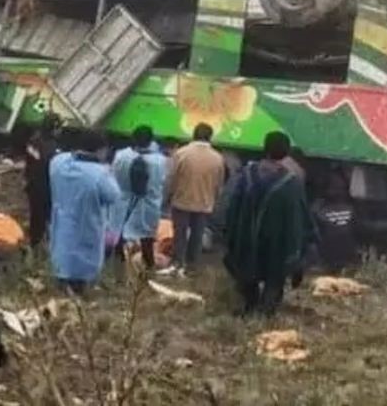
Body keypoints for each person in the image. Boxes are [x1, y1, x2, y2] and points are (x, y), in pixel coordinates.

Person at [224, 131, 313, 317]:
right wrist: (297, 253)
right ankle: (264, 314)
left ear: (264, 148)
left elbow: (232, 208)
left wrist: (230, 236)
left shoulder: (246, 175)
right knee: (274, 281)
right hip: (276, 245)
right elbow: (298, 220)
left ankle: (249, 307)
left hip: (246, 240)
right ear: (287, 152)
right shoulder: (291, 184)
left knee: (247, 276)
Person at [49, 129, 121, 295]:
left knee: (63, 256)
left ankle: (62, 286)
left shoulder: (58, 164)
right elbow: (113, 196)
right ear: (101, 150)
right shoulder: (99, 174)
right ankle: (78, 293)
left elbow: (66, 156)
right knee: (82, 263)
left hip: (62, 222)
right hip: (87, 224)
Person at [162, 123, 226, 276]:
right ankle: (192, 266)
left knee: (180, 234)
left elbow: (171, 179)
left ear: (193, 134)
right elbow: (219, 184)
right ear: (210, 137)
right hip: (204, 203)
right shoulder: (217, 158)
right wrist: (213, 199)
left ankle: (177, 263)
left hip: (181, 201)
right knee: (197, 236)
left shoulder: (181, 153)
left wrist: (168, 197)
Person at [111, 125, 167, 270]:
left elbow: (114, 176)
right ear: (151, 141)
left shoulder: (121, 156)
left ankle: (119, 264)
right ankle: (149, 265)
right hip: (149, 204)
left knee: (120, 235)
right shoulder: (160, 161)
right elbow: (163, 181)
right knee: (147, 238)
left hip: (124, 202)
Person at [23, 114, 62, 249]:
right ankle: (47, 245)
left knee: (35, 217)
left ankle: (34, 243)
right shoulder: (53, 149)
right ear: (54, 129)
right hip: (46, 188)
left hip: (32, 185)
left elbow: (29, 162)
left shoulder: (33, 141)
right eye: (59, 128)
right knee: (49, 218)